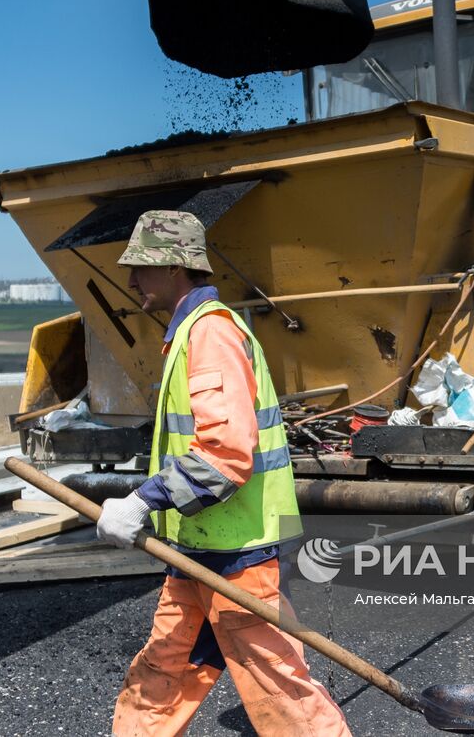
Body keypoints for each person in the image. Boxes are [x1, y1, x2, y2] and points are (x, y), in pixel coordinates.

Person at [96, 209, 351, 737]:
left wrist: (143, 501)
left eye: (141, 267)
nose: (130, 280)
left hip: (236, 552)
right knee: (166, 666)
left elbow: (226, 453)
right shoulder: (189, 332)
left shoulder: (210, 334)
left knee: (274, 680)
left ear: (175, 269)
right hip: (201, 544)